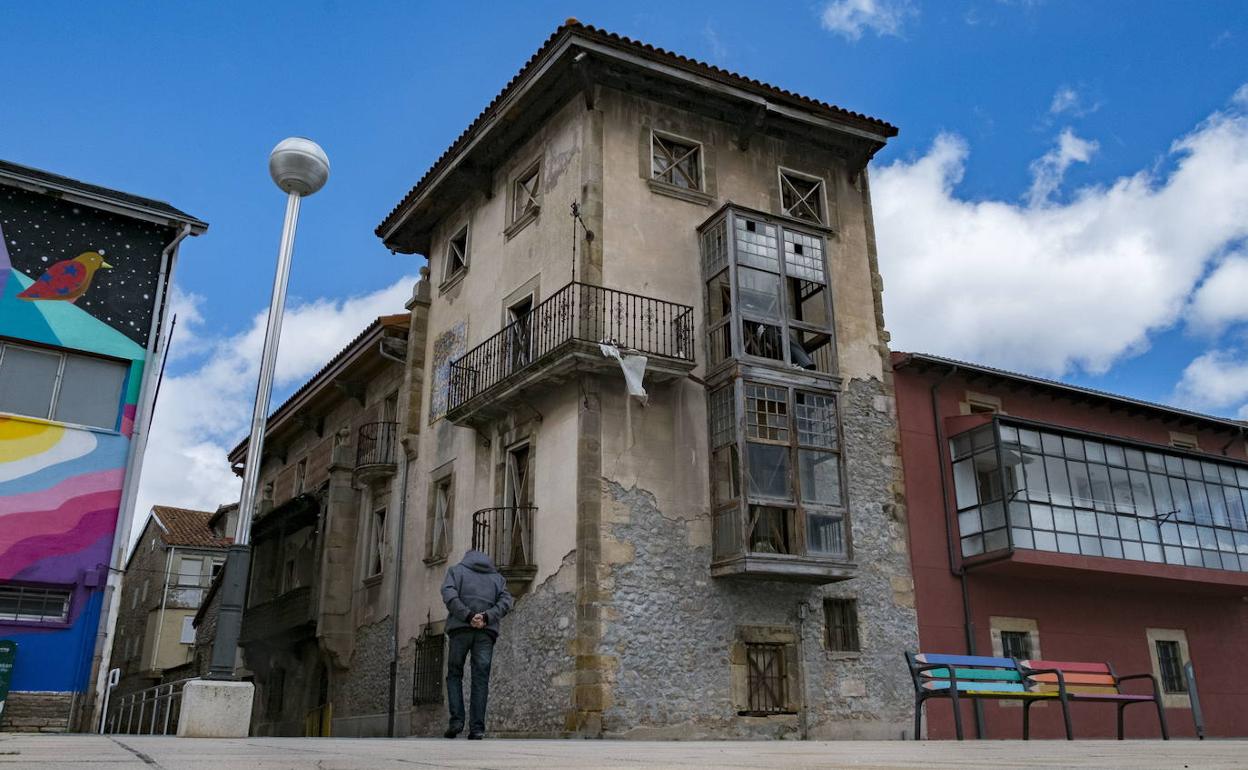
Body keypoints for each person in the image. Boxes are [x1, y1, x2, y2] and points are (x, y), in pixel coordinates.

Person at [440, 549, 513, 739]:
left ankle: (456, 722)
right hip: (485, 633)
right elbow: (506, 601)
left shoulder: (456, 572)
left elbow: (449, 595)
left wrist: (468, 615)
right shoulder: (497, 579)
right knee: (480, 679)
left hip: (460, 630)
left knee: (454, 674)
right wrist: (487, 617)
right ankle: (477, 728)